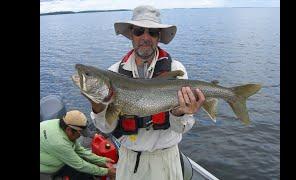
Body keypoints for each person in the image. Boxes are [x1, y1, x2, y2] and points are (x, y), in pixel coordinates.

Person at [87, 5, 206, 180]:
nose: (145, 37)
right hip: (128, 160)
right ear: (131, 35)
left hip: (166, 159)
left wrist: (179, 112)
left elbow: (182, 127)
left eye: (152, 32)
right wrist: (97, 107)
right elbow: (106, 127)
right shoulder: (113, 72)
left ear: (159, 37)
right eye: (139, 31)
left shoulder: (175, 69)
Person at [40, 110, 116, 180]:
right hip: (46, 169)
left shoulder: (60, 123)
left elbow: (79, 150)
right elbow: (80, 165)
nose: (80, 136)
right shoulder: (59, 143)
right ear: (69, 130)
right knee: (82, 174)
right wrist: (106, 172)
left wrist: (102, 160)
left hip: (50, 151)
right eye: (80, 132)